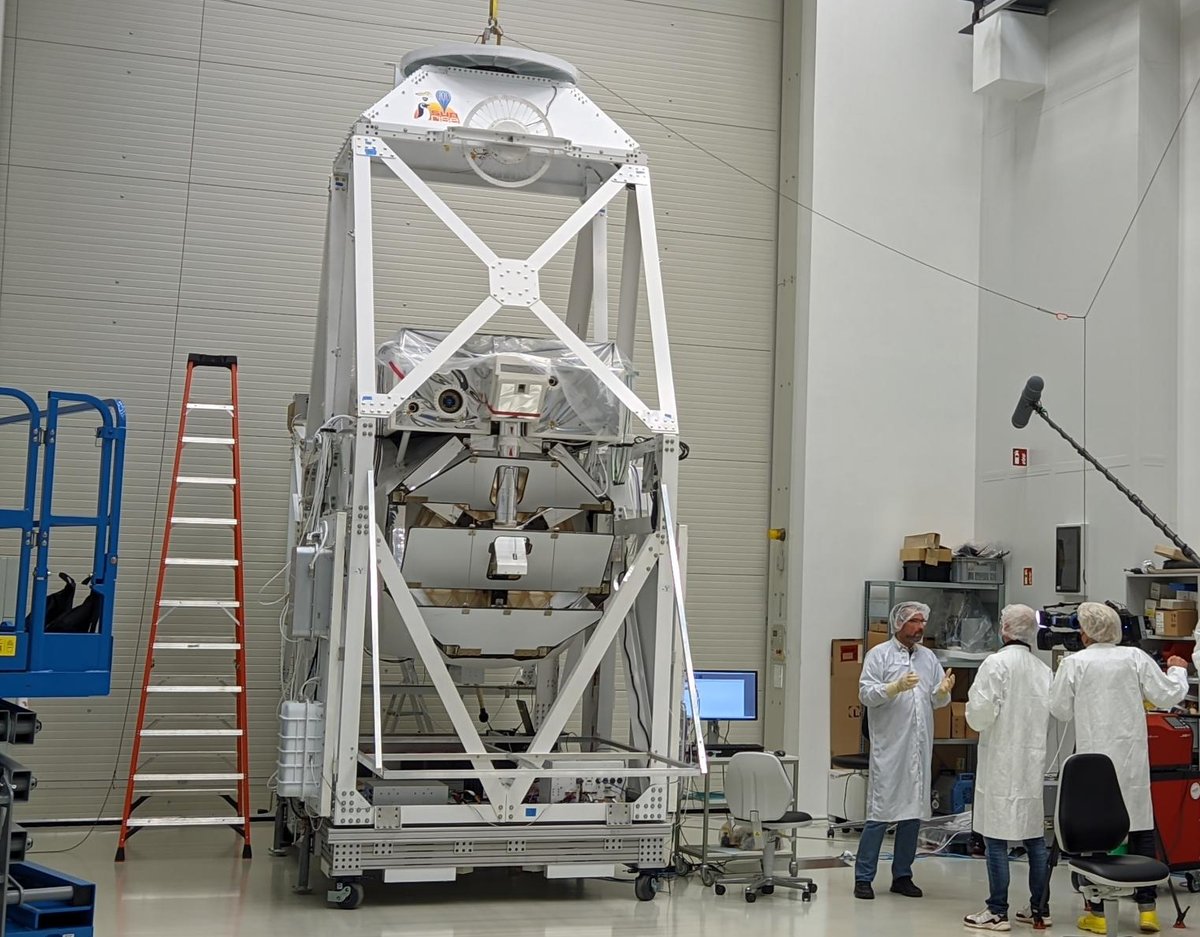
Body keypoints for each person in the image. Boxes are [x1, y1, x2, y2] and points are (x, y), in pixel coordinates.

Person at [1050, 602, 1189, 935]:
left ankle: (1097, 913)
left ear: (1085, 632)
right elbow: (1168, 697)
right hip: (1130, 759)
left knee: (1093, 832)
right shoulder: (1135, 658)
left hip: (1092, 763)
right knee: (1140, 828)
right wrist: (1177, 668)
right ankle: (1147, 910)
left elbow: (1059, 711)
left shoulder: (1074, 663)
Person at [962, 605, 1054, 932]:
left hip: (1001, 763)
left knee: (996, 839)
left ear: (1004, 630)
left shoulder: (995, 664)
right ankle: (1038, 909)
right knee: (1034, 840)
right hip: (1030, 763)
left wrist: (972, 714)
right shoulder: (1043, 671)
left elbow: (979, 715)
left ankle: (997, 910)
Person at [854, 600, 954, 900]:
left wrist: (942, 692)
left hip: (919, 747)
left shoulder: (927, 658)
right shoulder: (879, 655)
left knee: (913, 812)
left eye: (923, 622)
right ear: (899, 624)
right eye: (914, 621)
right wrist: (893, 687)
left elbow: (935, 701)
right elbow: (865, 693)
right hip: (890, 746)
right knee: (880, 811)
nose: (921, 627)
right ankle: (863, 877)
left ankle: (903, 875)